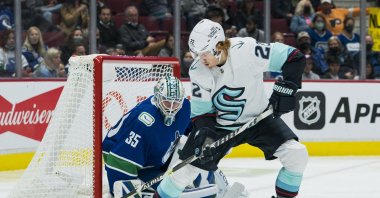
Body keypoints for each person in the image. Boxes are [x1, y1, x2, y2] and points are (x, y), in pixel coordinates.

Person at [157, 19, 308, 198]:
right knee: (185, 170)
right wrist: (205, 137)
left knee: (297, 155)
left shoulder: (248, 49)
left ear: (220, 45)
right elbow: (202, 114)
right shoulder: (198, 70)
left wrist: (287, 88)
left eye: (204, 53)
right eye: (196, 54)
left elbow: (294, 57)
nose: (200, 59)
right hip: (221, 127)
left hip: (259, 119)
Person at [103, 76, 234, 198]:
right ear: (157, 97)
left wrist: (213, 140)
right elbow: (119, 160)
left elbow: (194, 132)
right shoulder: (144, 122)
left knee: (194, 147)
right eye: (167, 102)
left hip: (157, 161)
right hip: (124, 162)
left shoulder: (185, 108)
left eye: (175, 103)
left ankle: (209, 185)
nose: (171, 108)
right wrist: (125, 190)